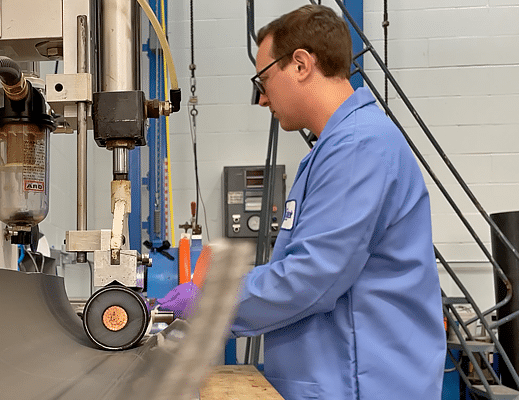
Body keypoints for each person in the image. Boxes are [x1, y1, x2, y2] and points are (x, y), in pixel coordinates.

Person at [158, 5, 445, 399]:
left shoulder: (359, 147)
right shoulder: (332, 150)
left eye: (263, 80)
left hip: (362, 383)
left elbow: (311, 277)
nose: (261, 100)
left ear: (300, 64)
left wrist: (213, 303)